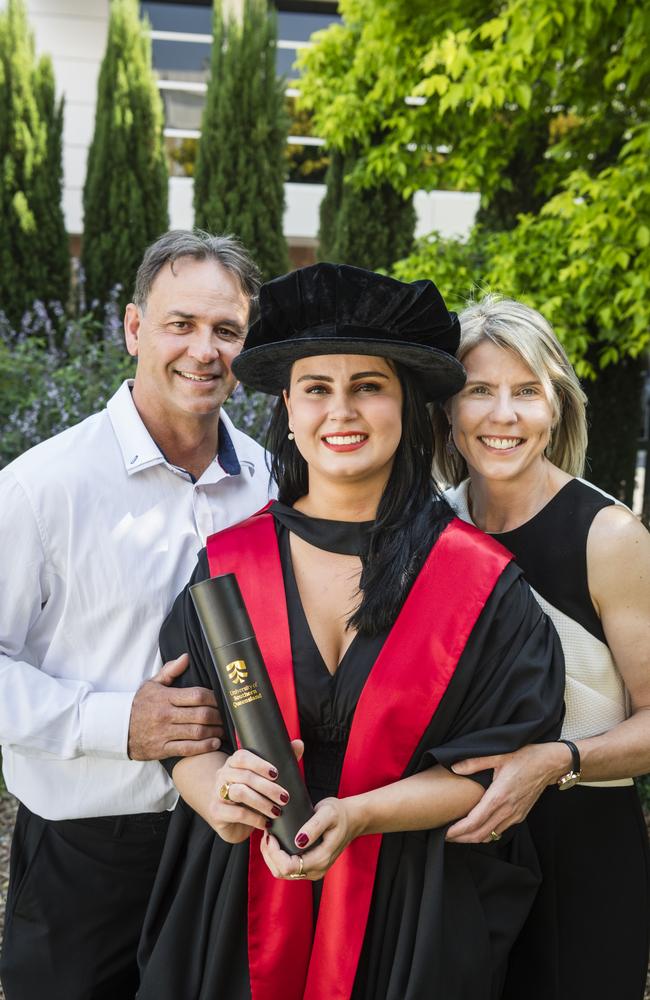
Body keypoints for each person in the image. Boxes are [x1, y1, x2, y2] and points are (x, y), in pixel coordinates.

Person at [136, 263, 565, 1000]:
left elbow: (494, 771)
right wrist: (219, 792)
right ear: (289, 411)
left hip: (410, 901)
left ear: (406, 407)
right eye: (316, 389)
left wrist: (361, 815)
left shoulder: (481, 583)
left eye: (368, 386)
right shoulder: (227, 565)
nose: (342, 412)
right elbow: (191, 742)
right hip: (238, 902)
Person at [0, 230, 274, 1000]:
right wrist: (117, 723)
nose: (204, 350)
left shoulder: (271, 484)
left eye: (226, 331)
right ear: (132, 329)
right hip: (87, 859)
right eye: (180, 324)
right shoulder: (42, 489)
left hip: (226, 847)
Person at [436, 294, 650, 1000]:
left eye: (526, 391)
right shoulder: (430, 528)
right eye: (479, 391)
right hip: (455, 848)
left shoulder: (609, 537)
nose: (504, 415)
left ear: (555, 408)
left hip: (582, 848)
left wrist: (555, 762)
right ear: (447, 408)